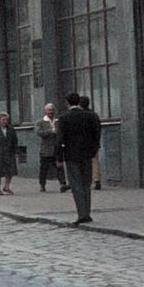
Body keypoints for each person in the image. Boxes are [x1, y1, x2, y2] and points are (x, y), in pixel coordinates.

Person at [57, 92, 101, 224]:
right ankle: (87, 212)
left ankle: (82, 214)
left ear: (67, 103)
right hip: (87, 154)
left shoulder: (64, 118)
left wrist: (59, 157)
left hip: (71, 155)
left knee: (76, 184)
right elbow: (97, 134)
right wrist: (93, 150)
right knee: (86, 183)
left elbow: (60, 138)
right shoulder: (90, 116)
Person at [35, 103, 68, 193]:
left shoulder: (58, 121)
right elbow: (39, 132)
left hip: (57, 148)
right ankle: (42, 184)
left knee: (59, 166)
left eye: (52, 110)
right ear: (46, 111)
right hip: (45, 149)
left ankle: (63, 184)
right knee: (44, 168)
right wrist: (51, 131)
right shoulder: (41, 122)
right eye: (49, 110)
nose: (51, 112)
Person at [79, 95, 103, 190]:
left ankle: (84, 180)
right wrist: (96, 141)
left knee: (82, 162)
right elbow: (98, 129)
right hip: (93, 142)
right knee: (95, 161)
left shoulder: (79, 115)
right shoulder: (93, 114)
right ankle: (97, 180)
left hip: (81, 143)